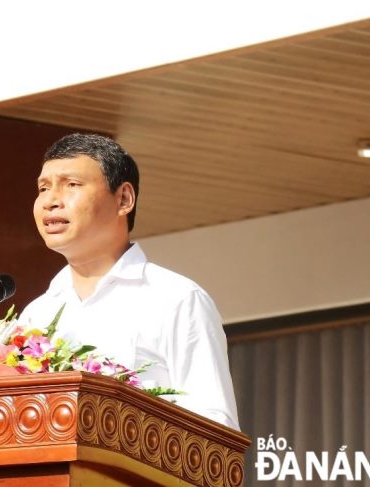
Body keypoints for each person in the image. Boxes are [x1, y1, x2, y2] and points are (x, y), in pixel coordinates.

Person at [19, 133, 240, 430]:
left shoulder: (176, 299)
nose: (50, 202)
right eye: (43, 188)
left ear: (123, 199)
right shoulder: (38, 314)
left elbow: (216, 426)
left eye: (71, 185)